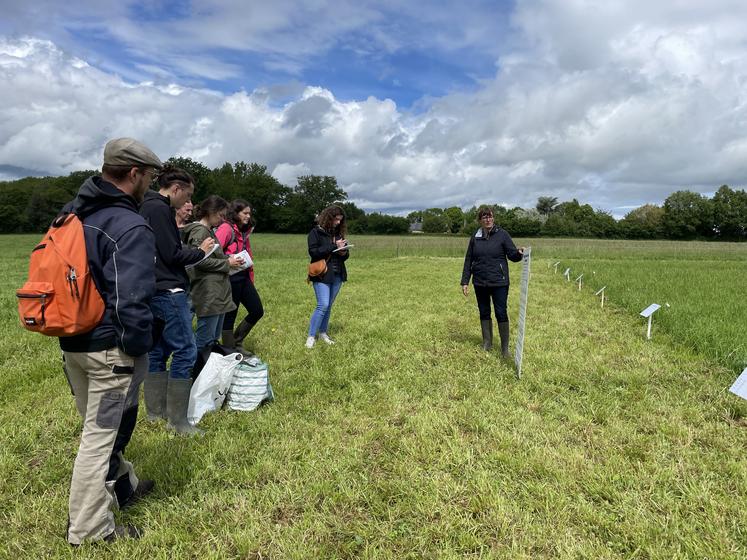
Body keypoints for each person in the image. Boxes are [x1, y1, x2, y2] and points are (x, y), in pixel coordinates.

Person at [60, 137, 160, 544]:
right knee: (99, 439)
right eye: (149, 176)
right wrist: (136, 349)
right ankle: (89, 531)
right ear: (134, 173)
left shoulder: (72, 214)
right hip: (110, 351)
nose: (150, 184)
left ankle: (124, 486)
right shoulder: (129, 224)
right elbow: (132, 299)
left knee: (102, 426)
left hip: (73, 343)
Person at [139, 167, 214, 436]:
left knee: (157, 350)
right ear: (177, 189)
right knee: (185, 350)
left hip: (151, 287)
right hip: (169, 290)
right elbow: (171, 253)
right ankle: (178, 422)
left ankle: (154, 413)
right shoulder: (160, 209)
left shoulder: (145, 205)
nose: (188, 203)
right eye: (188, 195)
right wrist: (199, 252)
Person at [181, 195, 243, 353]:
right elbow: (198, 261)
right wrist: (226, 263)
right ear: (210, 211)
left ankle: (208, 371)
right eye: (220, 215)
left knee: (213, 338)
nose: (222, 220)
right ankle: (196, 372)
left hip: (216, 292)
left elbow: (209, 256)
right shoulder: (199, 231)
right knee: (205, 339)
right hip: (208, 292)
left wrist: (227, 258)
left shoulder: (208, 231)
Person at [461, 206, 524, 357]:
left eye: (490, 217)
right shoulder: (475, 237)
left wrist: (519, 254)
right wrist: (465, 281)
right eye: (484, 217)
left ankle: (504, 349)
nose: (488, 219)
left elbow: (512, 255)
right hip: (480, 282)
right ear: (480, 220)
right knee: (484, 311)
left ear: (493, 218)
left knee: (501, 312)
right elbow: (469, 259)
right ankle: (487, 343)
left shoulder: (502, 235)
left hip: (499, 282)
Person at [214, 199, 264, 352]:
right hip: (229, 278)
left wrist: (251, 277)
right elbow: (213, 252)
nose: (248, 216)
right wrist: (228, 260)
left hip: (243, 277)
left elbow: (247, 255)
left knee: (257, 310)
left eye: (250, 213)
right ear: (235, 213)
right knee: (230, 316)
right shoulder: (226, 229)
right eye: (245, 213)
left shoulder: (244, 231)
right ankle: (230, 350)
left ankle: (236, 341)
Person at [305, 205, 349, 348]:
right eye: (335, 220)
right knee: (322, 304)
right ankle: (311, 336)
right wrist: (333, 245)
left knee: (329, 305)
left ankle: (323, 333)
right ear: (328, 218)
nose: (337, 223)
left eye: (340, 221)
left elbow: (344, 256)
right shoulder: (315, 232)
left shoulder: (338, 234)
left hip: (337, 273)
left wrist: (344, 252)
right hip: (322, 273)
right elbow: (314, 253)